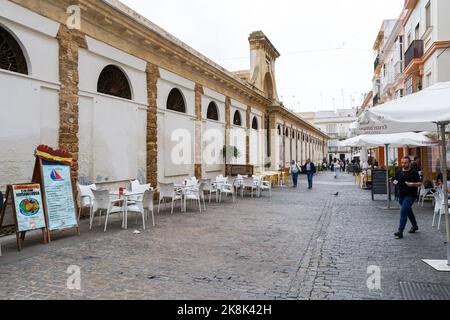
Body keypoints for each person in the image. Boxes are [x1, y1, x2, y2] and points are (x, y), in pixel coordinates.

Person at [392, 156, 422, 239]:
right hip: (401, 195)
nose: (403, 164)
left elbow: (420, 183)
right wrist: (394, 182)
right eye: (402, 162)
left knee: (403, 212)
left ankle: (400, 231)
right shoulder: (398, 172)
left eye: (405, 163)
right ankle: (415, 226)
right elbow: (395, 180)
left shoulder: (414, 172)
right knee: (408, 211)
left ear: (409, 163)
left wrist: (412, 184)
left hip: (410, 196)